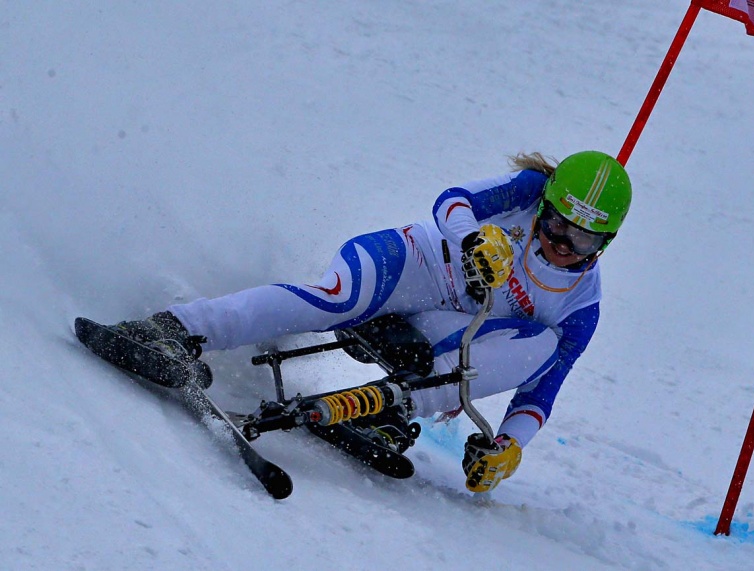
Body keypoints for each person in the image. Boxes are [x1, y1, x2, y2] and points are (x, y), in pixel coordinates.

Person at [111, 150, 632, 493]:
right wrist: (473, 237)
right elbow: (450, 201)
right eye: (557, 224)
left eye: (582, 241)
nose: (562, 245)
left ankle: (385, 410)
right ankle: (175, 327)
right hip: (414, 264)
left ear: (605, 243)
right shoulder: (526, 189)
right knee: (333, 299)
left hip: (441, 329)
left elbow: (541, 392)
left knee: (541, 347)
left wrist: (509, 446)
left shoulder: (581, 306)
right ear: (544, 204)